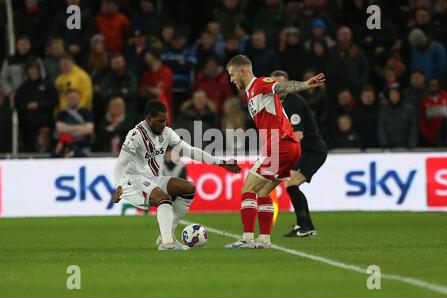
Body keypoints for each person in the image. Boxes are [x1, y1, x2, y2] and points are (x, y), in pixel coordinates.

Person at [111, 100, 241, 251]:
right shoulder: (135, 135)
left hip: (150, 179)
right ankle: (168, 244)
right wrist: (118, 186)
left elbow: (190, 151)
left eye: (165, 120)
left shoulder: (167, 133)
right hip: (131, 181)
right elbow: (120, 164)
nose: (163, 124)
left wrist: (221, 163)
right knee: (163, 198)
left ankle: (168, 236)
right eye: (159, 121)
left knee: (188, 188)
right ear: (149, 119)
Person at [225, 55, 325, 249]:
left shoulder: (259, 83)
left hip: (280, 145)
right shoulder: (251, 93)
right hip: (290, 148)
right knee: (263, 192)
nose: (231, 79)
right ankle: (264, 240)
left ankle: (246, 238)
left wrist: (304, 84)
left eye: (232, 74)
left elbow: (281, 87)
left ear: (242, 71)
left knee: (247, 189)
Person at [270, 70, 327, 237]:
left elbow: (298, 136)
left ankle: (305, 226)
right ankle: (306, 226)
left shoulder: (293, 103)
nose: (278, 88)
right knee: (291, 185)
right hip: (305, 150)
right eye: (275, 85)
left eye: (282, 85)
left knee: (291, 184)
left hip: (312, 150)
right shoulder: (276, 103)